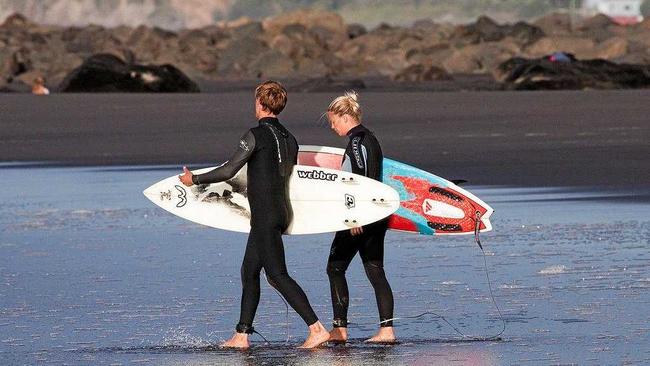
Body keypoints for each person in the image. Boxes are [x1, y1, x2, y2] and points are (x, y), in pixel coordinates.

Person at [179, 81, 329, 349]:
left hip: (265, 216)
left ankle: (316, 328)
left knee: (276, 275)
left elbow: (229, 170)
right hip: (281, 212)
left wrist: (195, 179)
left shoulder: (255, 135)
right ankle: (241, 335)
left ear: (260, 103)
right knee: (249, 271)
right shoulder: (290, 139)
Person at [325, 91, 396, 343]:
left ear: (345, 116)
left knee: (335, 268)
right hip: (377, 215)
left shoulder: (356, 141)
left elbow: (359, 181)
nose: (332, 126)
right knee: (376, 271)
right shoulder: (371, 138)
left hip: (360, 218)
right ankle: (387, 331)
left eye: (333, 121)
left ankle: (339, 330)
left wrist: (356, 217)